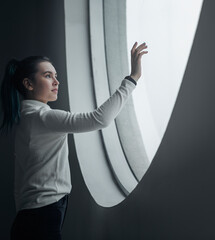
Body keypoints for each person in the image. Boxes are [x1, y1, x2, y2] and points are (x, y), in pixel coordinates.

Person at [0, 42, 148, 240]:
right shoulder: (43, 118)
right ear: (28, 84)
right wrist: (132, 79)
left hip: (31, 217)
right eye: (47, 76)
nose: (56, 82)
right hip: (41, 218)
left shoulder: (28, 118)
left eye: (56, 76)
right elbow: (99, 119)